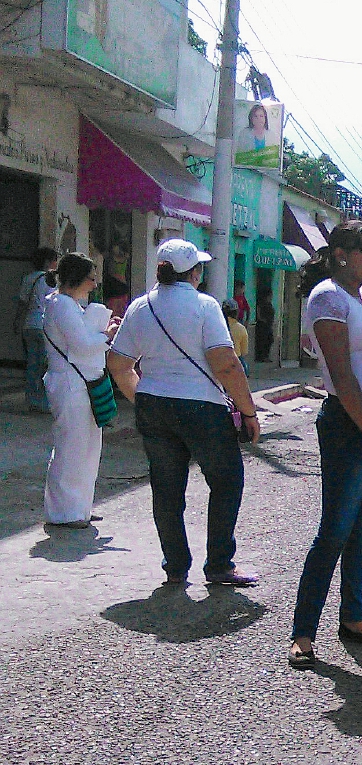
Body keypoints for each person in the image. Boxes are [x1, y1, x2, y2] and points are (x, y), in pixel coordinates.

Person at [107, 239, 261, 587]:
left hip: (153, 403)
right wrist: (249, 413)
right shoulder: (205, 306)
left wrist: (143, 397)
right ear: (194, 272)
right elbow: (226, 364)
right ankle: (219, 564)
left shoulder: (139, 307)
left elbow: (118, 364)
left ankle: (175, 566)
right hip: (201, 407)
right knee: (226, 481)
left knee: (166, 488)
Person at [288, 220, 362, 670]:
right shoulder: (328, 299)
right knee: (334, 530)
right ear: (340, 253)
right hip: (350, 425)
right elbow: (341, 376)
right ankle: (303, 631)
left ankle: (353, 618)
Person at [41, 253, 121, 528]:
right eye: (91, 278)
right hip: (69, 384)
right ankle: (63, 512)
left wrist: (102, 335)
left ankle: (80, 507)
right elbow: (82, 345)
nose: (94, 283)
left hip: (78, 383)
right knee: (71, 448)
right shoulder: (62, 306)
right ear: (77, 278)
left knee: (87, 447)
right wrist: (107, 336)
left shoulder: (69, 305)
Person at [13, 247, 58, 413]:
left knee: (32, 363)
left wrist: (17, 322)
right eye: (54, 259)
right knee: (45, 366)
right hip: (44, 326)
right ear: (48, 262)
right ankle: (44, 401)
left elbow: (22, 303)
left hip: (29, 325)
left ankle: (32, 399)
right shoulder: (49, 280)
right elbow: (54, 304)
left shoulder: (28, 279)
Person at [221, 300, 250, 373]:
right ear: (236, 313)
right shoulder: (241, 328)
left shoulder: (217, 326)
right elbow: (244, 352)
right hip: (236, 360)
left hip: (219, 359)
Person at [255, 286, 275, 362]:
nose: (271, 297)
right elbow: (258, 311)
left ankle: (266, 356)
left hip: (268, 325)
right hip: (263, 325)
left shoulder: (269, 304)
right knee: (263, 341)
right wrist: (261, 319)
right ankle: (261, 357)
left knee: (270, 340)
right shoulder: (262, 303)